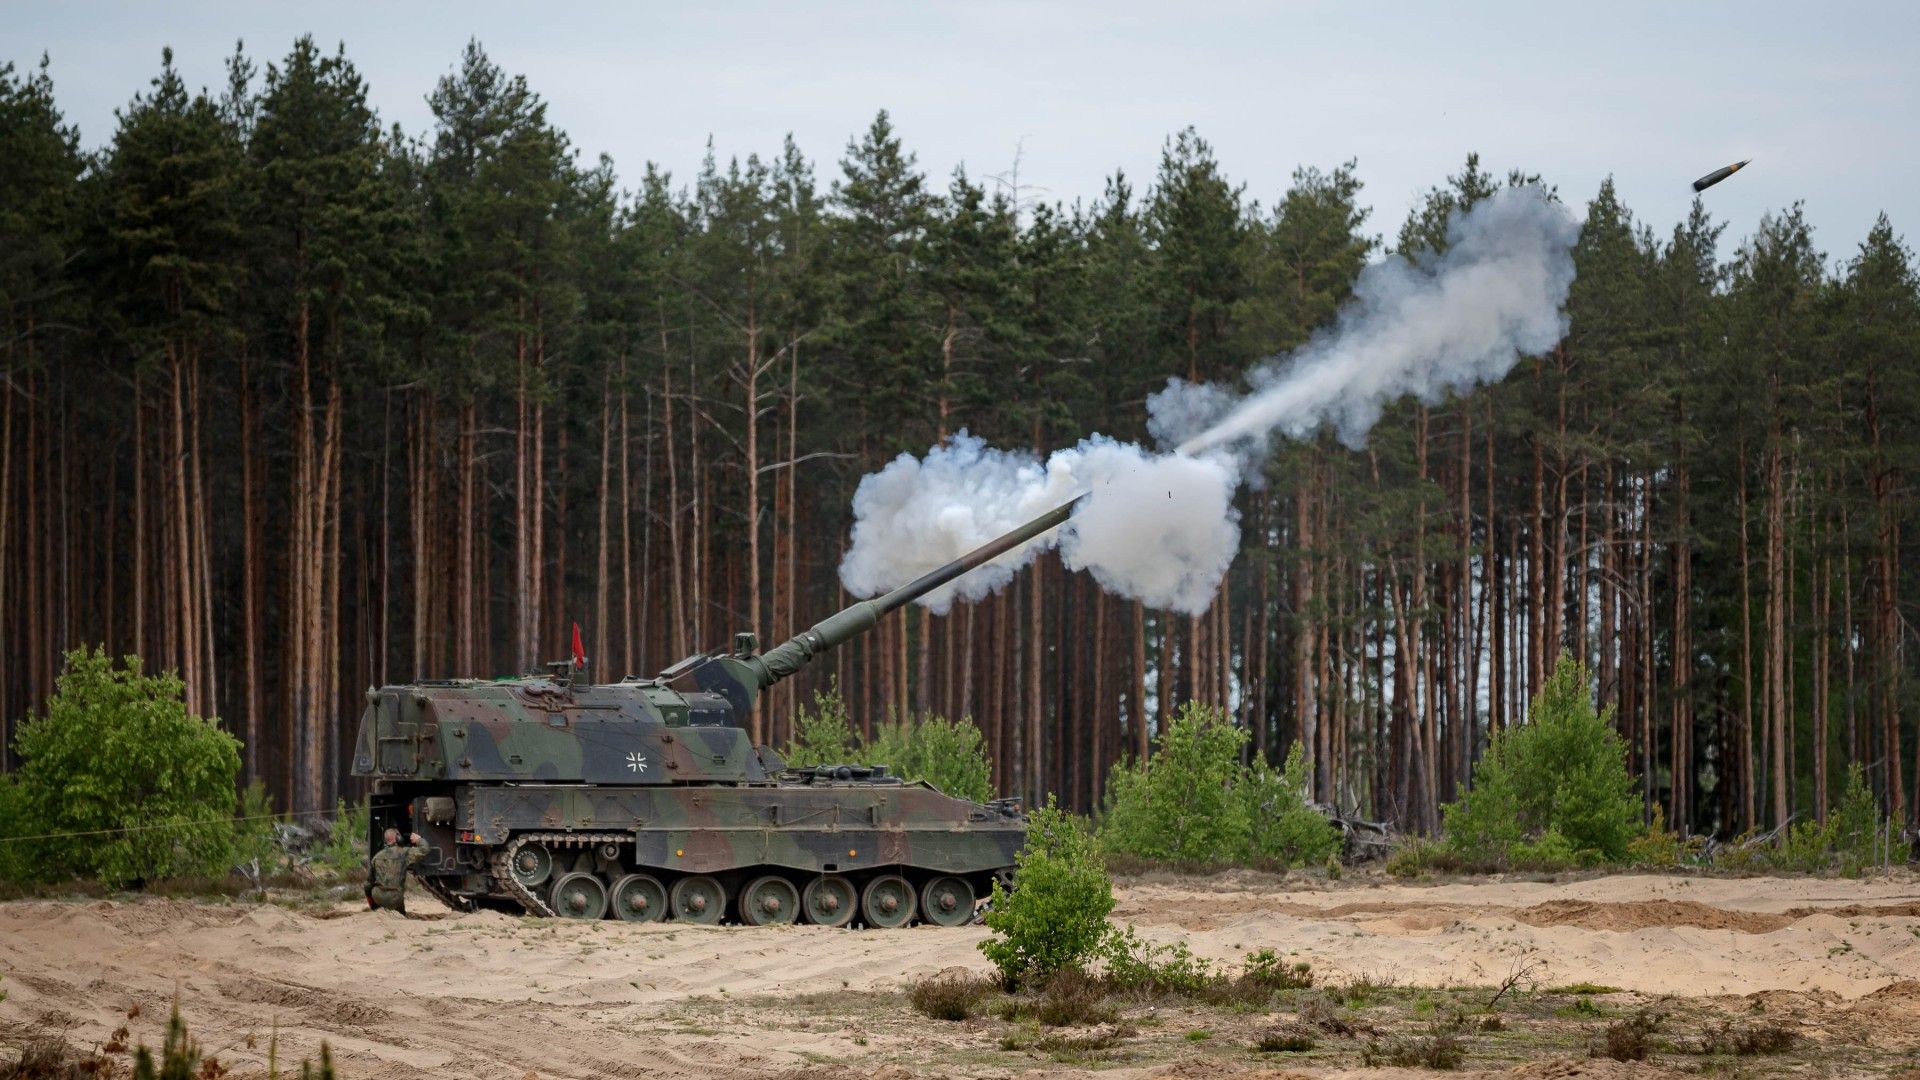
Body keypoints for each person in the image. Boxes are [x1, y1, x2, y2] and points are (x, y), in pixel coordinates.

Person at [367, 827, 427, 914]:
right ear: (397, 838)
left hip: (378, 896)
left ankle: (376, 910)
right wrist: (419, 839)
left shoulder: (377, 857)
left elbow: (368, 884)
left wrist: (372, 905)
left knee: (371, 888)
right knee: (397, 897)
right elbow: (424, 849)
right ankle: (400, 913)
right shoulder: (404, 852)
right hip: (395, 898)